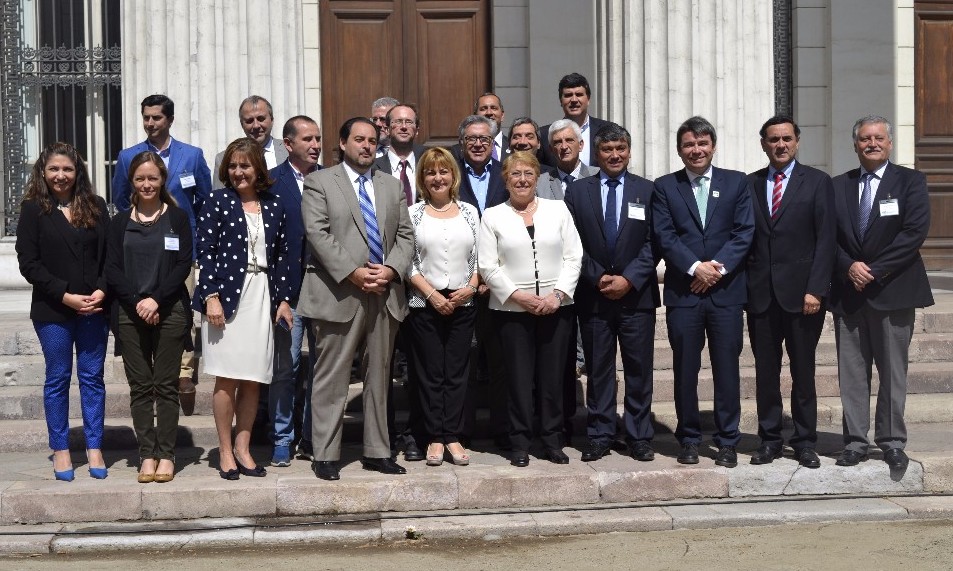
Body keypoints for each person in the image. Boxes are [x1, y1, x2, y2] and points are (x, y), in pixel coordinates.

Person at [298, 117, 414, 481]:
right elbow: (317, 233)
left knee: (379, 376)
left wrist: (391, 270)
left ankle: (378, 451)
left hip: (384, 293)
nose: (366, 146)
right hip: (339, 293)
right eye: (359, 140)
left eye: (371, 141)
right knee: (331, 377)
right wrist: (354, 272)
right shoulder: (319, 182)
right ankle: (326, 453)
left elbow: (407, 236)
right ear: (343, 143)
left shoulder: (391, 185)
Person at [830, 115, 934, 470]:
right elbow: (827, 236)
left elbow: (913, 233)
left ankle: (891, 441)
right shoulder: (837, 186)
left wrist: (873, 270)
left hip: (893, 290)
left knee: (892, 373)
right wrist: (848, 266)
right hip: (850, 293)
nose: (871, 143)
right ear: (855, 144)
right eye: (864, 138)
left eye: (878, 138)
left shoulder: (910, 181)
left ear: (890, 143)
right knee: (853, 373)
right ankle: (855, 442)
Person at [652, 116, 754, 468]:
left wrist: (716, 270)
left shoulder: (737, 183)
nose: (696, 150)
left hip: (726, 294)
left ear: (713, 146)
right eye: (688, 145)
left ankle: (727, 441)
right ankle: (689, 439)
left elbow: (744, 232)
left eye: (702, 143)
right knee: (685, 368)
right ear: (680, 150)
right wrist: (696, 268)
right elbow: (665, 235)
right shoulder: (665, 187)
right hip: (685, 294)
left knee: (726, 368)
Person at [194, 138, 293, 480]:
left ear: (258, 169)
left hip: (262, 295)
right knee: (227, 378)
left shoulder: (274, 204)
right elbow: (204, 251)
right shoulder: (217, 201)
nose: (238, 172)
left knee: (253, 380)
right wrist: (210, 297)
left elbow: (281, 257)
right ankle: (224, 450)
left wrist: (283, 300)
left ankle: (243, 447)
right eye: (233, 166)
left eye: (245, 165)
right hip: (225, 298)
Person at [478, 151, 582, 467]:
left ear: (537, 177)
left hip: (556, 308)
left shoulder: (558, 209)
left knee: (552, 379)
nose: (522, 180)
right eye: (515, 174)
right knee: (517, 380)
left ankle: (552, 440)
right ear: (506, 179)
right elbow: (488, 265)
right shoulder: (492, 216)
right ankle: (519, 442)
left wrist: (558, 295)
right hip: (511, 312)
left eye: (528, 173)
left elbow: (573, 256)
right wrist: (518, 296)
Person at [111, 94, 212, 415]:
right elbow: (119, 197)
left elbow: (203, 200)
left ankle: (182, 372)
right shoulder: (129, 157)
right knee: (144, 303)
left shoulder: (192, 156)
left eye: (156, 117)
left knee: (181, 307)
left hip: (182, 248)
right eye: (146, 118)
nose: (151, 123)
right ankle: (149, 367)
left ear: (169, 119)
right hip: (141, 249)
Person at [565, 123, 660, 463]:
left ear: (629, 151)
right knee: (599, 369)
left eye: (620, 148)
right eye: (607, 150)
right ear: (596, 154)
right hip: (594, 296)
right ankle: (601, 433)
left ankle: (638, 435)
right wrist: (599, 278)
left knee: (638, 370)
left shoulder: (648, 191)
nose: (615, 155)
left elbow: (654, 241)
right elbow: (571, 241)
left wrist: (629, 279)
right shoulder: (577, 192)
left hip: (637, 298)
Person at [15, 142, 110, 481]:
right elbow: (29, 264)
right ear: (43, 172)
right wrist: (66, 296)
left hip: (94, 309)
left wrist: (101, 289)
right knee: (57, 379)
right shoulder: (32, 210)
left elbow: (108, 255)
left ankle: (94, 446)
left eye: (67, 169)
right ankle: (61, 449)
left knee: (92, 379)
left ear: (78, 172)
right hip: (53, 310)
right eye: (54, 169)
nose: (60, 175)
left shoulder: (96, 206)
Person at [746, 116, 835, 468]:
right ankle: (769, 439)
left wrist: (816, 289)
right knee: (765, 372)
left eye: (786, 139)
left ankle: (804, 441)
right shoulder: (749, 184)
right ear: (763, 143)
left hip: (803, 298)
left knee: (803, 371)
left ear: (797, 141)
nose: (780, 145)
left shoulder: (817, 182)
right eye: (773, 139)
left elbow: (826, 239)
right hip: (761, 296)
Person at [105, 151, 193, 483]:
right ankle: (146, 455)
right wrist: (138, 302)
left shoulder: (178, 218)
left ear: (162, 180)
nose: (146, 184)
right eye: (140, 178)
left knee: (166, 385)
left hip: (169, 310)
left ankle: (166, 455)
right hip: (129, 312)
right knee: (141, 387)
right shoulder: (119, 222)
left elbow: (183, 264)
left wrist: (155, 300)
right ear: (131, 182)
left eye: (152, 178)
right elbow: (112, 268)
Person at [406, 147, 481, 466]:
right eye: (430, 172)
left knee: (457, 374)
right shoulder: (413, 213)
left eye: (443, 171)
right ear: (422, 179)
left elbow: (478, 256)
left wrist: (470, 288)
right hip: (425, 304)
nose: (437, 178)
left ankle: (453, 436)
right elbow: (407, 262)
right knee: (430, 374)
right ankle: (434, 437)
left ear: (453, 176)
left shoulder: (468, 211)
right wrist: (432, 295)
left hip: (463, 303)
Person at [267, 115, 323, 467]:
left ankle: (312, 437)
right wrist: (278, 295)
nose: (315, 144)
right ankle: (282, 439)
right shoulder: (272, 182)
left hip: (326, 289)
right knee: (285, 368)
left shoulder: (332, 179)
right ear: (288, 144)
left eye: (318, 139)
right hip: (288, 290)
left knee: (322, 368)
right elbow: (269, 244)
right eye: (308, 139)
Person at [213, 95, 289, 186]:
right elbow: (219, 197)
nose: (256, 125)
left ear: (272, 120)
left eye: (261, 119)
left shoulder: (289, 151)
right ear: (242, 124)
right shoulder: (223, 159)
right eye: (249, 121)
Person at [539, 73, 610, 168]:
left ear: (588, 99)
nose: (574, 100)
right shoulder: (544, 135)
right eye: (568, 95)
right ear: (561, 101)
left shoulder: (607, 130)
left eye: (579, 94)